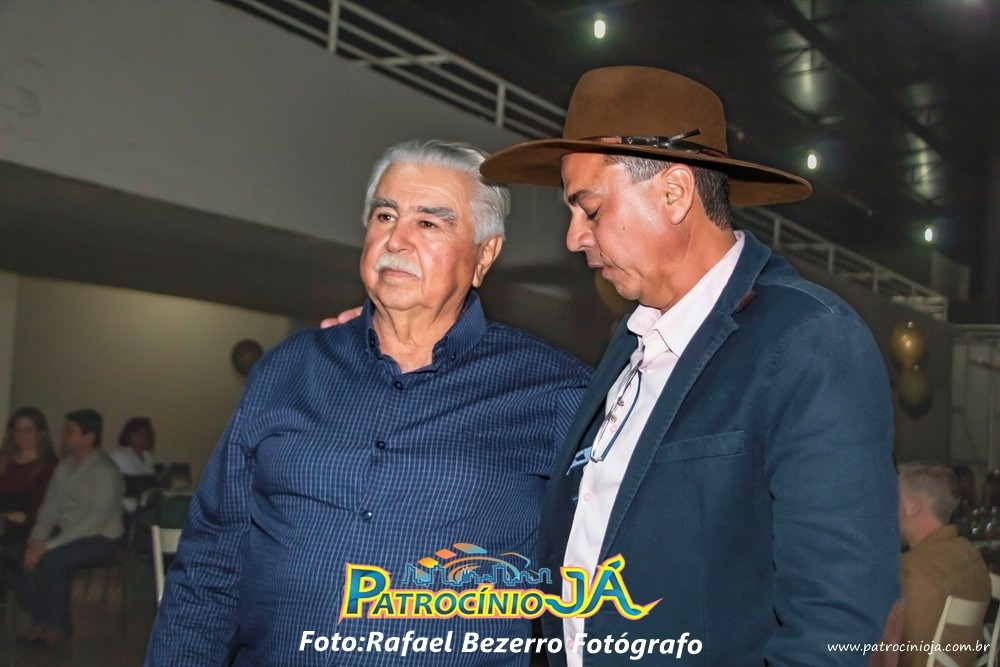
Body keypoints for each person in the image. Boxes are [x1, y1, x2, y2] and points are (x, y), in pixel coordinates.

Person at [480, 66, 899, 665]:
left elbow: (841, 620)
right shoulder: (632, 340)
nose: (574, 238)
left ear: (674, 194)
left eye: (589, 209)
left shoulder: (807, 341)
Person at [145, 139, 590, 666]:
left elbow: (603, 574)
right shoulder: (288, 370)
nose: (396, 239)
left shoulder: (555, 392)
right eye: (385, 215)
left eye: (429, 222)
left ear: (484, 255)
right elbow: (211, 563)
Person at [19, 408, 125, 646]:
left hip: (101, 538)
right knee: (27, 556)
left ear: (88, 437)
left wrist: (48, 546)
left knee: (51, 560)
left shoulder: (105, 470)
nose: (63, 436)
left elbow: (92, 521)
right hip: (67, 535)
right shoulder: (64, 467)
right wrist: (37, 539)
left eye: (70, 431)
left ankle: (58, 627)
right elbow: (49, 508)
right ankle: (40, 621)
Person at [897, 463, 990, 667]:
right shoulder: (970, 554)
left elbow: (901, 653)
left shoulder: (915, 569)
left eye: (895, 500)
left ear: (913, 507)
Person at [0, 407, 58, 581]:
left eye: (28, 430)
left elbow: (45, 507)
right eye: (18, 430)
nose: (22, 435)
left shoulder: (50, 466)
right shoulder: (4, 460)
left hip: (28, 529)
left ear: (41, 433)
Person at [110, 416, 157, 513]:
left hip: (147, 507)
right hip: (126, 510)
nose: (150, 437)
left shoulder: (148, 457)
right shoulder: (119, 456)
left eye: (151, 434)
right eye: (146, 434)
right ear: (132, 435)